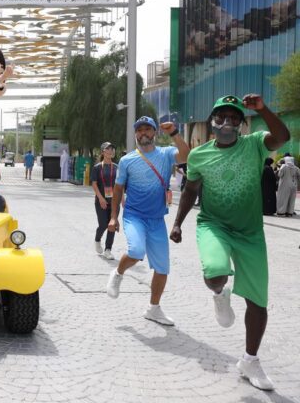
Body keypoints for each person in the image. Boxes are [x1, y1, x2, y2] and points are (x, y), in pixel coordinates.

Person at [170, 94, 290, 390]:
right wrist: (177, 223)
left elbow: (282, 136)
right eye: (221, 117)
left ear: (241, 124)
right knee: (215, 274)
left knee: (258, 302)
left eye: (234, 118)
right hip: (214, 225)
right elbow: (190, 191)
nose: (227, 122)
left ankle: (250, 360)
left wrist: (263, 109)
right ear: (212, 122)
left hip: (250, 233)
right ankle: (220, 293)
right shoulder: (198, 156)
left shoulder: (254, 144)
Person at [106, 116, 190, 327]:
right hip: (134, 216)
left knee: (162, 268)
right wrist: (114, 216)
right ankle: (118, 273)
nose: (143, 133)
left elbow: (186, 155)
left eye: (147, 130)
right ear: (136, 134)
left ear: (154, 133)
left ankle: (154, 309)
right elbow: (117, 190)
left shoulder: (166, 154)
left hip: (156, 219)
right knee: (135, 251)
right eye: (139, 130)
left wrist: (174, 133)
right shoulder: (127, 160)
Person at [90, 142, 118, 260]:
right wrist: (101, 198)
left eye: (112, 149)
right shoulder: (97, 167)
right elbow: (94, 184)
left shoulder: (117, 167)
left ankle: (108, 249)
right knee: (102, 225)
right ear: (103, 152)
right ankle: (97, 240)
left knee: (112, 225)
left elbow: (119, 184)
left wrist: (122, 199)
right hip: (101, 200)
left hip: (114, 201)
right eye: (108, 149)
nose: (111, 151)